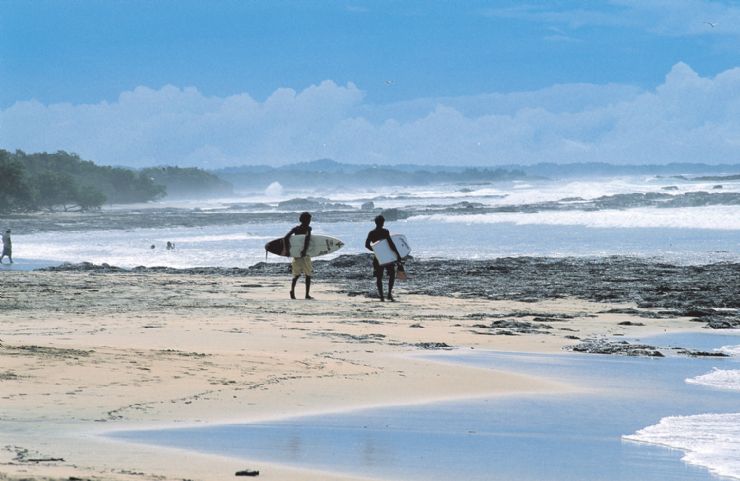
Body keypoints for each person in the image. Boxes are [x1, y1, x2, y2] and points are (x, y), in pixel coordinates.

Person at [365, 215, 401, 302]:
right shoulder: (385, 232)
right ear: (383, 223)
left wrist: (376, 251)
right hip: (387, 257)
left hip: (378, 257)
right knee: (392, 274)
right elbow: (391, 244)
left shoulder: (371, 233)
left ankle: (381, 297)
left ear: (375, 222)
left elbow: (366, 245)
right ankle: (389, 294)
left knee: (379, 277)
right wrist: (397, 255)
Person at [284, 212, 314, 300]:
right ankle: (306, 295)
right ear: (305, 220)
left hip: (296, 255)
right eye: (308, 220)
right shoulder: (308, 228)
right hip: (305, 255)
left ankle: (292, 291)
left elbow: (286, 238)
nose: (309, 221)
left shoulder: (296, 229)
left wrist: (288, 251)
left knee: (296, 275)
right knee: (308, 275)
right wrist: (304, 250)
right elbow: (307, 240)